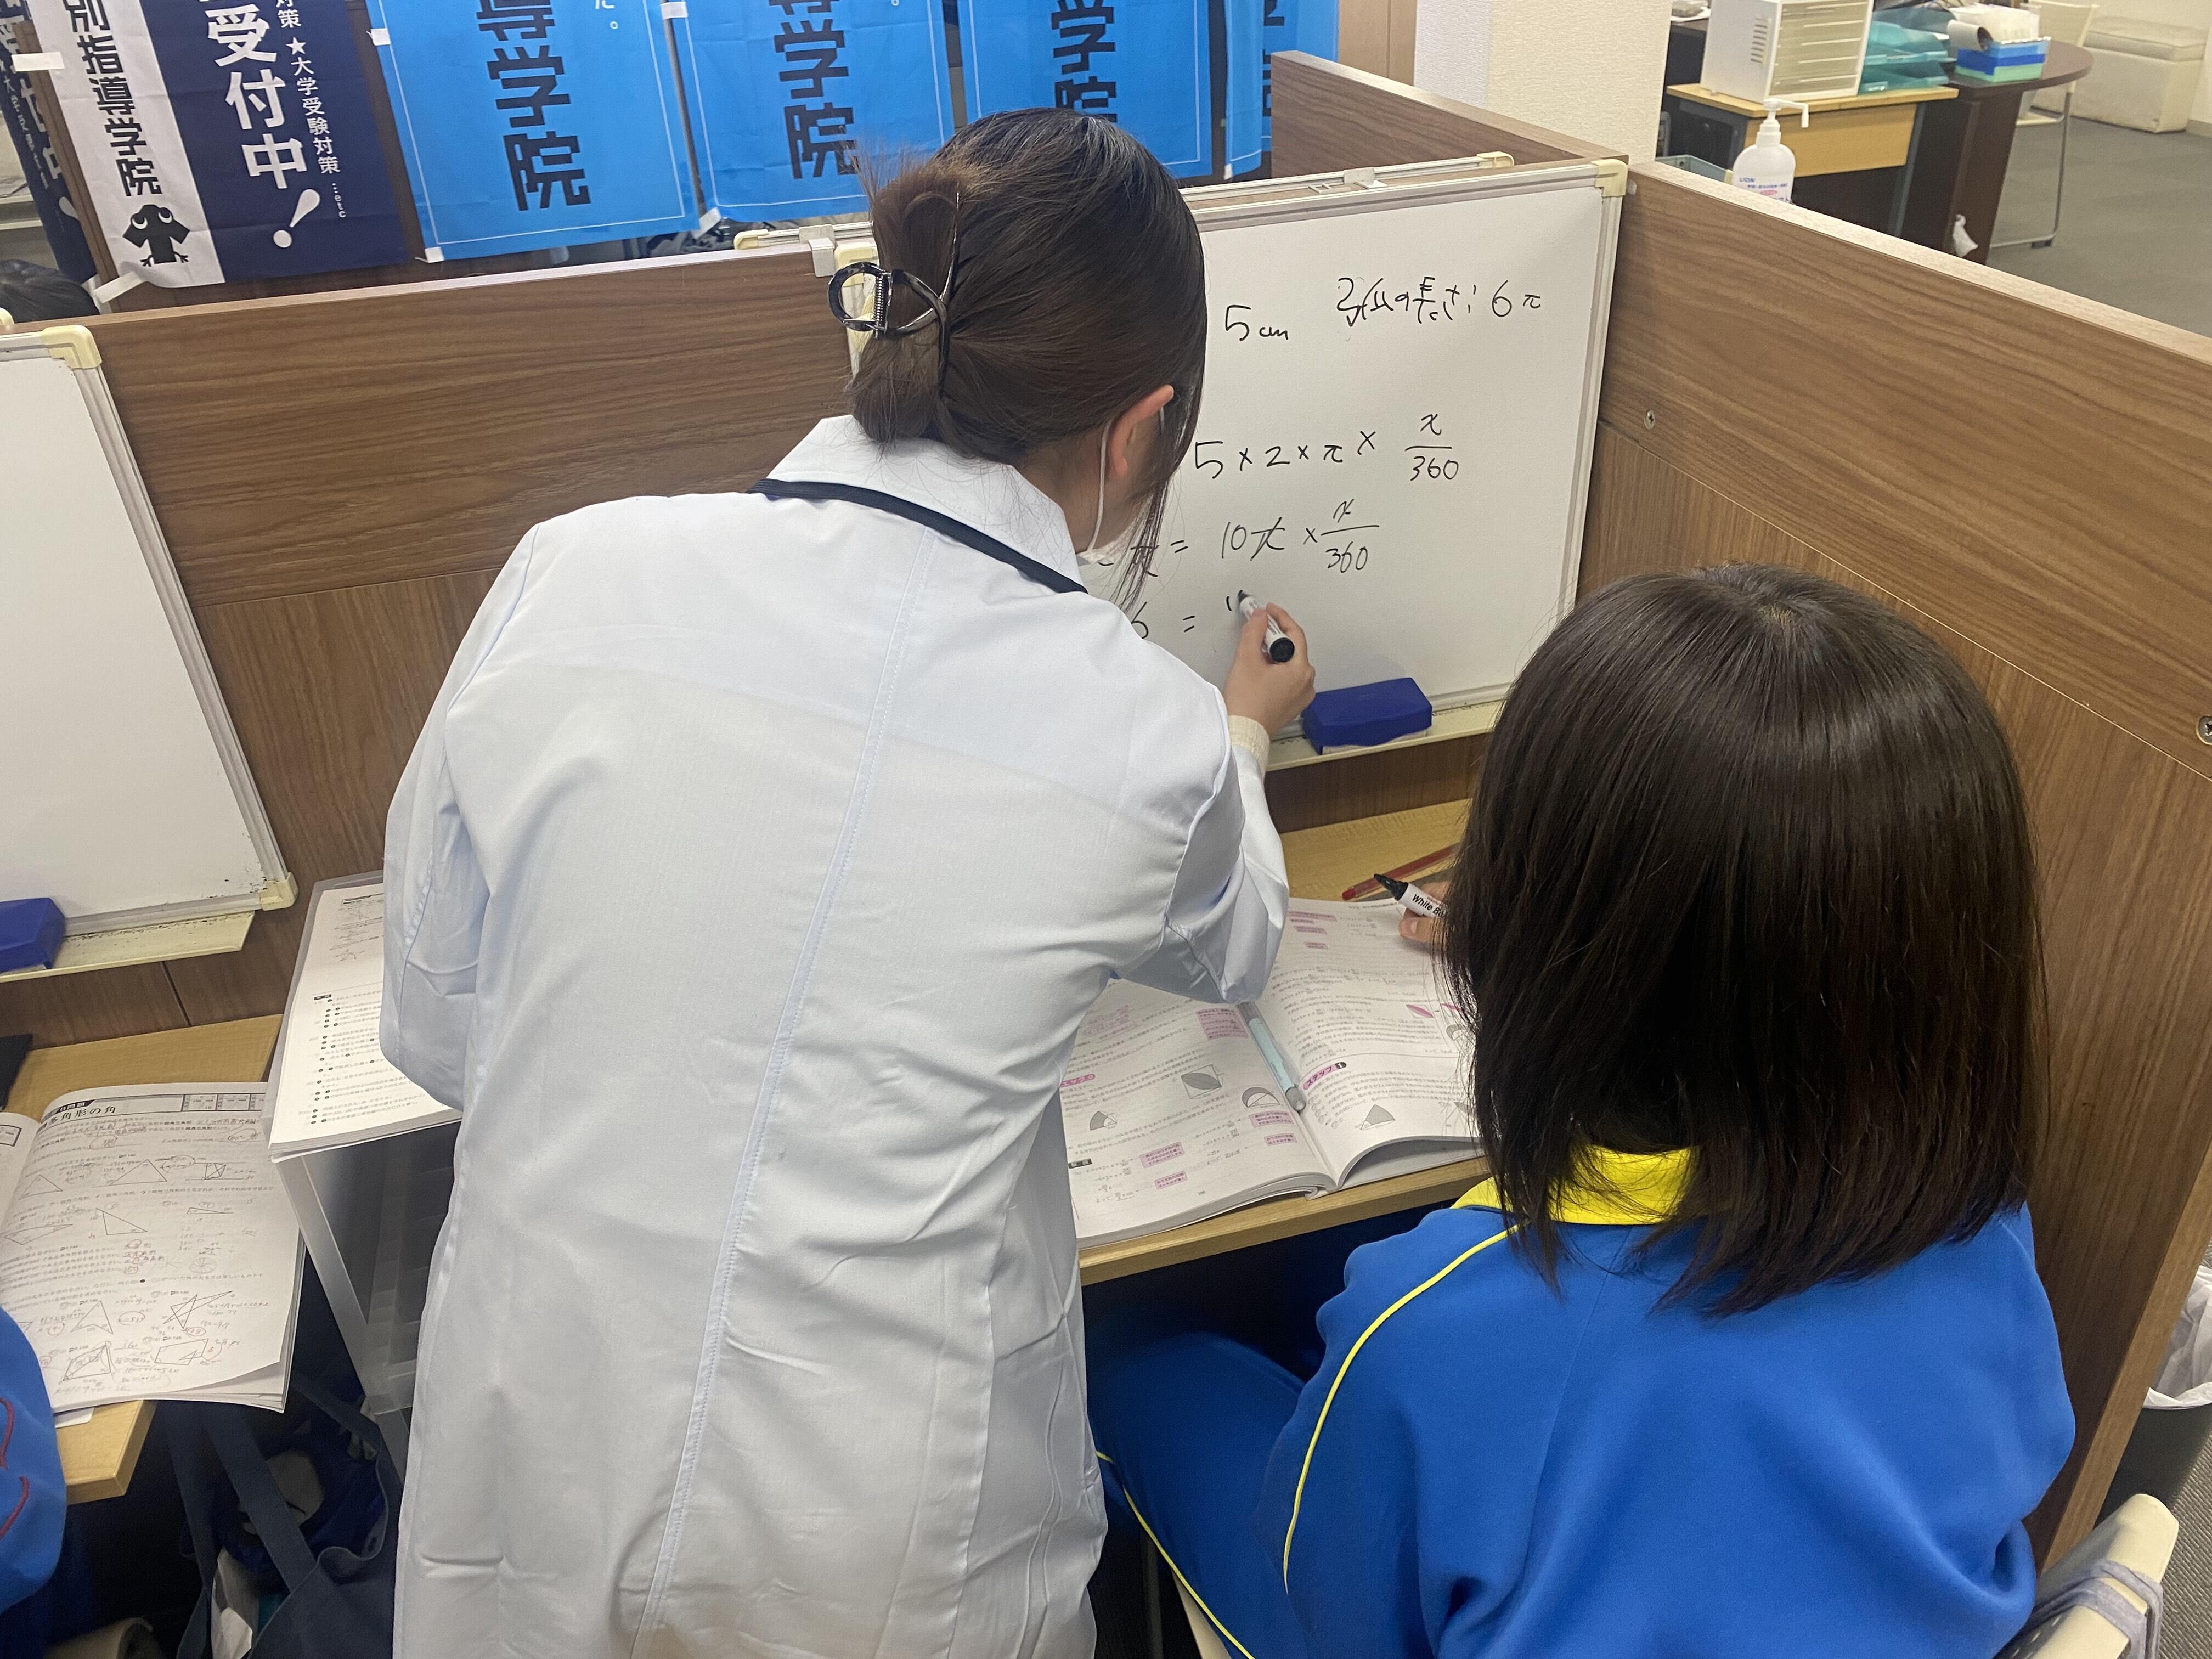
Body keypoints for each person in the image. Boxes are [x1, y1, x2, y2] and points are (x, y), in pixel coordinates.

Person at [380, 109, 1313, 1658]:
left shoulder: (570, 568)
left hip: (538, 1439)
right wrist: (1243, 732)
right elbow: (1234, 952)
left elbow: (435, 1023)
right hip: (885, 1525)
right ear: (1141, 428)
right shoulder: (1149, 732)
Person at [1088, 563, 2076, 1658]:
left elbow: (1335, 1609)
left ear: (1540, 949)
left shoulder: (1435, 1332)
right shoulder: (1984, 1226)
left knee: (1128, 1340)